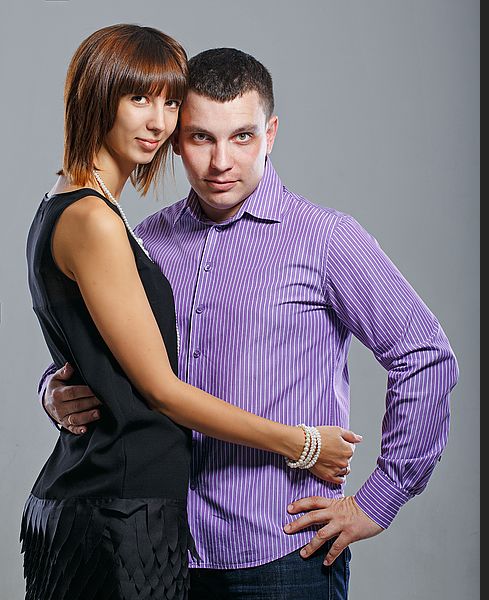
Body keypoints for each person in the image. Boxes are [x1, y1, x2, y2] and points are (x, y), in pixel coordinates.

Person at [40, 48, 459, 599]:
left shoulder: (325, 239)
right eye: (200, 138)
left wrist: (380, 499)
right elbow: (109, 359)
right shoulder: (144, 241)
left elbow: (425, 354)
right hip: (163, 553)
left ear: (271, 132)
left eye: (241, 136)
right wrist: (54, 390)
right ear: (173, 140)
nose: (220, 162)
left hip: (281, 556)